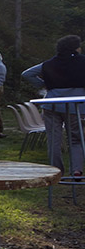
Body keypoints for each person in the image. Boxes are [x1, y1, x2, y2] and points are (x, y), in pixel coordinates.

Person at [21, 35, 85, 179]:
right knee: (75, 139)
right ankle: (76, 170)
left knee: (54, 139)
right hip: (76, 106)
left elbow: (27, 74)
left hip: (52, 105)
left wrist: (46, 85)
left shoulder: (49, 63)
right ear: (75, 48)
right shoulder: (82, 62)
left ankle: (56, 171)